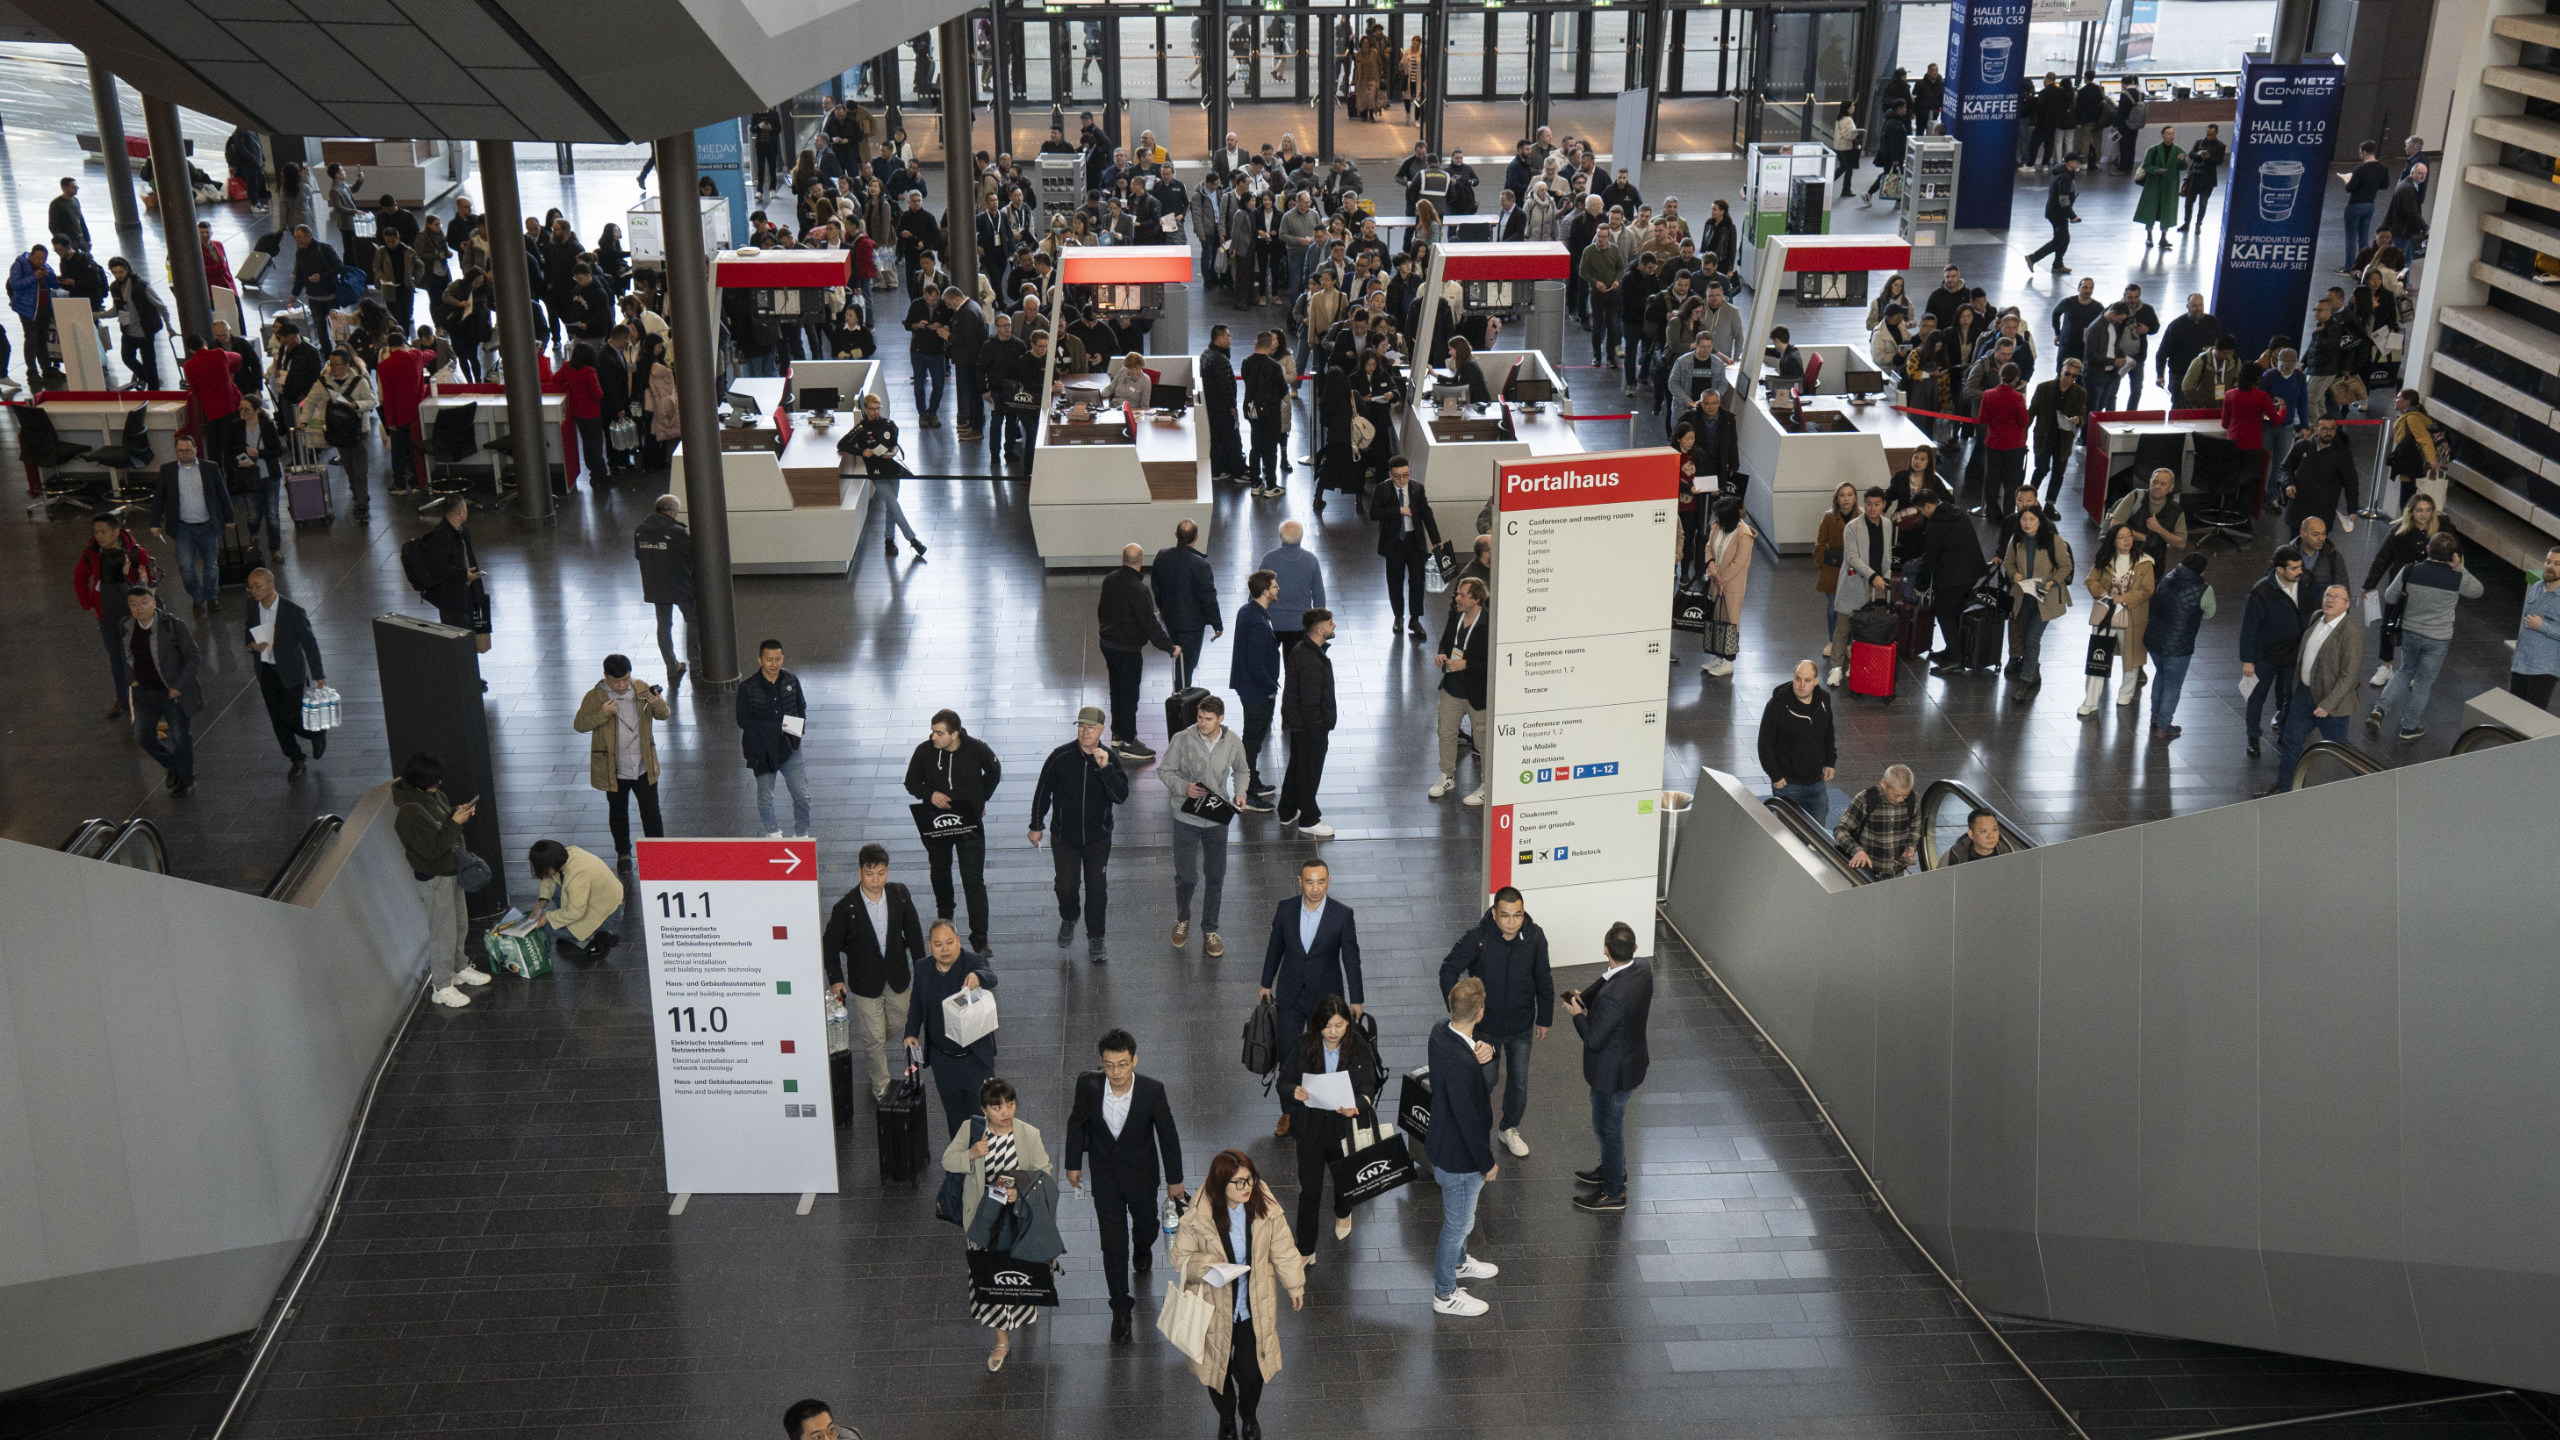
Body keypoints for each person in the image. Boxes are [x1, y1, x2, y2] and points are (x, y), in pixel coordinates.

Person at [1168, 1149, 1307, 1439]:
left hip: (1252, 1304)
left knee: (1252, 1372)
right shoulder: (1201, 1212)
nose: (1247, 1188)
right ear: (1221, 1185)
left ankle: (1249, 1416)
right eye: (1239, 1183)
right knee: (1215, 1370)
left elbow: (1282, 1246)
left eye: (1250, 1179)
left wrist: (1295, 1284)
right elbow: (1179, 1257)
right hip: (1213, 1306)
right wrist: (1207, 1264)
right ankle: (1227, 1419)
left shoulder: (1264, 1205)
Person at [1064, 1030, 1188, 1344]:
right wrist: (1073, 1162)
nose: (1116, 1072)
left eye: (1122, 1064)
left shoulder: (1152, 1090)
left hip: (1143, 1176)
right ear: (1102, 1064)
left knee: (1147, 1225)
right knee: (1113, 1246)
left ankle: (1143, 1246)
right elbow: (1077, 1121)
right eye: (1109, 1066)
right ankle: (1120, 1309)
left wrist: (1176, 1181)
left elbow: (1168, 1135)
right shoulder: (1088, 1086)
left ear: (1134, 1060)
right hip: (1106, 1178)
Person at [941, 1076, 1051, 1373]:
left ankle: (1024, 1311)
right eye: (997, 1106)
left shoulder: (1028, 1134)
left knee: (1019, 1274)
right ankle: (1001, 1340)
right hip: (982, 1219)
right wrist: (972, 1154)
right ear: (985, 1109)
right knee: (989, 1276)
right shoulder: (971, 1130)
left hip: (1017, 1219)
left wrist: (1022, 1191)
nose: (1006, 1111)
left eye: (1010, 1104)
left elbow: (1044, 1170)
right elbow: (948, 1161)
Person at [1438, 887, 1553, 1158]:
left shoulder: (1535, 937)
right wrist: (1459, 1013)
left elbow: (1543, 978)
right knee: (1482, 1083)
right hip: (1484, 1029)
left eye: (1518, 915)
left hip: (1521, 1026)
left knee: (1519, 1081)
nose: (1512, 922)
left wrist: (1545, 1018)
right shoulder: (1477, 938)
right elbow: (1448, 969)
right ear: (1494, 914)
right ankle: (1474, 1130)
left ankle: (1509, 1128)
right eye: (1505, 916)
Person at [1258, 857, 1363, 1137]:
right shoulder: (1286, 909)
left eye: (1320, 881)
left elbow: (1351, 959)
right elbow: (1275, 948)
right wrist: (1266, 982)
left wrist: (1356, 1000)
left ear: (1328, 881)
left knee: (1328, 1053)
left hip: (1325, 1000)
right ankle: (1288, 1113)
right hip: (1291, 995)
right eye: (1309, 882)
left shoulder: (1341, 915)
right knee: (1287, 1054)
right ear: (1300, 882)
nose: (1315, 888)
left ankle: (1328, 1106)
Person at [1276, 995, 1385, 1259]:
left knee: (1344, 1181)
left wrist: (1358, 1105)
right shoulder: (1304, 1045)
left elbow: (1368, 1087)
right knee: (1310, 1191)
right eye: (1327, 1026)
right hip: (1310, 1129)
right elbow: (1284, 1082)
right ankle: (1305, 1249)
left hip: (1343, 1128)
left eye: (1339, 1025)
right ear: (1318, 1026)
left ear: (1347, 1022)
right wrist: (1294, 1091)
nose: (1333, 1032)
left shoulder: (1358, 1046)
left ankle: (1343, 1210)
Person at [820, 843, 923, 1107]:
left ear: (887, 872)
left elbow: (914, 933)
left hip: (898, 976)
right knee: (875, 1037)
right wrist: (836, 980)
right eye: (869, 874)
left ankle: (871, 1042)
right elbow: (830, 945)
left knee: (902, 1020)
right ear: (859, 873)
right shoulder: (846, 906)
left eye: (880, 873)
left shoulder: (899, 894)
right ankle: (881, 1086)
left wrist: (922, 969)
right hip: (865, 982)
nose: (875, 880)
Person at [1425, 975, 1502, 1316]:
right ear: (1481, 1012)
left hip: (1440, 1144)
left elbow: (1467, 1050)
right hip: (1459, 1160)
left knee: (1459, 1221)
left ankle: (1458, 1263)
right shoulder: (1463, 1066)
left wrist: (1482, 1051)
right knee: (1458, 1224)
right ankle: (1444, 1293)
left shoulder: (1440, 1031)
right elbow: (1470, 1120)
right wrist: (1487, 1163)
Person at [1564, 919, 1653, 1211]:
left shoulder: (1613, 998)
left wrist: (1578, 1013)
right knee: (1609, 1126)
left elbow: (1592, 1039)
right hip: (1631, 1062)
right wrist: (1591, 1004)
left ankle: (1614, 1190)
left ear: (1605, 949)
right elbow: (1611, 989)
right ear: (1635, 948)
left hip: (1612, 1075)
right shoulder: (1642, 968)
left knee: (1607, 1130)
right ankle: (1613, 1169)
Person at [1030, 704, 1132, 955]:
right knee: (1065, 886)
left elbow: (1120, 797)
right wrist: (1036, 824)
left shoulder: (1110, 759)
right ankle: (1069, 916)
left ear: (1101, 730)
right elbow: (1043, 790)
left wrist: (1106, 769)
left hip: (1098, 838)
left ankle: (1096, 937)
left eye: (1091, 727)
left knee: (1097, 888)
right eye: (1081, 726)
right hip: (1065, 837)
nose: (1085, 732)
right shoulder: (1060, 757)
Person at [394, 753, 491, 1007]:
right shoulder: (408, 813)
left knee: (459, 924)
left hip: (451, 870)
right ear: (420, 782)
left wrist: (456, 815)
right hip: (434, 876)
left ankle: (459, 967)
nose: (439, 786)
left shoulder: (433, 795)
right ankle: (442, 985)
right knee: (442, 932)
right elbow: (432, 849)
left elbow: (443, 821)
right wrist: (455, 824)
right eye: (435, 782)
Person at [905, 709, 1003, 954]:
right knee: (940, 871)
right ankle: (945, 917)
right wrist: (931, 795)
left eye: (939, 733)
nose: (933, 737)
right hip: (936, 821)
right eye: (932, 731)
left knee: (974, 880)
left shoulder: (977, 749)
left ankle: (980, 936)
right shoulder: (924, 751)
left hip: (968, 820)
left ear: (955, 734)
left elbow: (994, 771)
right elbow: (911, 782)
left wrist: (980, 802)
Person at [2370, 531, 2481, 743]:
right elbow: (2478, 591)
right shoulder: (2456, 577)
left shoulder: (2410, 570)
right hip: (2438, 638)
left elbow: (2390, 596)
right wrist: (2460, 567)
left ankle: (2379, 709)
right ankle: (2409, 727)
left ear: (2428, 549)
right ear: (2453, 555)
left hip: (2410, 633)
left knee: (2404, 671)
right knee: (2422, 682)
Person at [903, 920, 1000, 1137]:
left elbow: (991, 976)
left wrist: (978, 976)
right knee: (954, 1116)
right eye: (938, 944)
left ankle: (983, 1162)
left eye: (949, 942)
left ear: (958, 941)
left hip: (975, 1059)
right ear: (930, 946)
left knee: (982, 1114)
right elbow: (917, 1003)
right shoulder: (922, 968)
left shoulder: (973, 961)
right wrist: (910, 1032)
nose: (944, 949)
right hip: (942, 1060)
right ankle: (960, 1163)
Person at [233, 567, 327, 781]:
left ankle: (317, 734)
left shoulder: (293, 611)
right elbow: (248, 629)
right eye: (251, 587)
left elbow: (309, 644)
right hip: (267, 671)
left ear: (271, 584)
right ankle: (296, 758)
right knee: (277, 720)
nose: (253, 591)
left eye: (257, 586)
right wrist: (251, 644)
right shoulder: (252, 606)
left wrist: (318, 674)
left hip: (291, 673)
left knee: (289, 717)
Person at [573, 654, 668, 859]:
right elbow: (579, 724)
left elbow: (664, 714)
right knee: (618, 813)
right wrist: (603, 714)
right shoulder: (595, 697)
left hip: (643, 765)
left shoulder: (642, 689)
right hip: (613, 768)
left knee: (651, 811)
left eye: (626, 679)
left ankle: (659, 855)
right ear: (606, 677)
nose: (623, 685)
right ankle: (623, 853)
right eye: (617, 681)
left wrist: (657, 703)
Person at [2272, 585, 2363, 791]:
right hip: (2304, 696)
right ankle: (2285, 790)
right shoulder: (2316, 617)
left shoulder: (2350, 633)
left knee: (2340, 748)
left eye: (2337, 597)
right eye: (2327, 595)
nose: (2330, 600)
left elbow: (2349, 676)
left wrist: (2327, 704)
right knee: (2291, 742)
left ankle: (2368, 780)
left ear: (2347, 605)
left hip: (2330, 704)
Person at [2361, 491, 2455, 689]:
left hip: (2428, 588)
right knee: (2388, 625)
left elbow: (2456, 551)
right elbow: (2383, 558)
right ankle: (2385, 666)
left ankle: (2415, 670)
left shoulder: (2443, 527)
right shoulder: (2398, 530)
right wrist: (2369, 584)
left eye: (2428, 510)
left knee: (2421, 630)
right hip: (2400, 586)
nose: (2423, 514)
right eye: (2419, 510)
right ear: (2411, 512)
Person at [119, 586, 203, 797]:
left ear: (154, 603)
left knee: (180, 737)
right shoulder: (126, 627)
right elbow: (124, 656)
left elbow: (193, 656)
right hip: (144, 693)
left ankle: (187, 779)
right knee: (143, 736)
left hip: (171, 693)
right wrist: (132, 681)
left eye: (145, 602)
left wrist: (179, 686)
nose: (139, 608)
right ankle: (175, 765)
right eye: (134, 604)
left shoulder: (173, 626)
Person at [1098, 543, 1179, 760]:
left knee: (1116, 690)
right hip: (1128, 650)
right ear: (1141, 561)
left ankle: (1117, 733)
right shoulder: (1140, 590)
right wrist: (1170, 647)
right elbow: (1150, 624)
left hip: (1107, 644)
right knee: (1129, 694)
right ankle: (1128, 742)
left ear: (1122, 558)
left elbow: (1101, 611)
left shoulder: (1110, 579)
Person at [76, 517, 156, 719]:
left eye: (103, 531)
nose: (99, 536)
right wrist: (90, 604)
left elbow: (148, 577)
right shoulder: (91, 554)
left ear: (116, 532)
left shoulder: (136, 553)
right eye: (96, 532)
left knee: (135, 659)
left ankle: (141, 703)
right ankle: (124, 699)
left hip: (134, 617)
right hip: (108, 617)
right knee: (117, 658)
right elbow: (79, 577)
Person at [2080, 523, 2158, 715]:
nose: (2127, 540)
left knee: (2130, 655)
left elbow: (2147, 589)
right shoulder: (2105, 559)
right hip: (2106, 613)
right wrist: (2105, 595)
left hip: (2132, 615)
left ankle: (2126, 693)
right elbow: (2091, 580)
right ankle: (2090, 700)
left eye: (2129, 536)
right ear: (2113, 541)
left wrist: (2124, 598)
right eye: (2121, 537)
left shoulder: (2145, 562)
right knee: (2098, 655)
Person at [737, 639, 811, 839]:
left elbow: (800, 708)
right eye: (769, 659)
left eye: (778, 659)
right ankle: (773, 832)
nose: (774, 664)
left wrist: (794, 735)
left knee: (802, 795)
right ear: (760, 660)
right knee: (765, 796)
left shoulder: (791, 681)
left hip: (789, 747)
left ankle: (801, 834)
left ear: (783, 658)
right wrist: (773, 730)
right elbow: (743, 720)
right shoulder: (748, 687)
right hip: (762, 752)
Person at [2240, 548, 2310, 757]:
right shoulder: (2261, 592)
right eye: (2294, 568)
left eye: (2300, 566)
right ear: (2279, 569)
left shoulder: (2305, 584)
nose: (2300, 571)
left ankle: (2284, 731)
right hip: (2266, 656)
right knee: (2256, 697)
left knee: (2291, 695)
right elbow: (2249, 628)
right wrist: (2248, 660)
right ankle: (2253, 736)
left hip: (2294, 654)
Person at [153, 435, 234, 613]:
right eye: (180, 451)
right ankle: (197, 596)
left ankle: (212, 597)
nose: (184, 454)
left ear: (196, 450)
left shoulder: (210, 468)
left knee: (211, 565)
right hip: (183, 527)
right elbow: (159, 498)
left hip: (207, 525)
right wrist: (155, 522)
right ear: (176, 452)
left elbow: (222, 493)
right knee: (186, 567)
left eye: (188, 450)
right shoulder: (167, 471)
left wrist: (229, 518)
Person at [1278, 609, 1339, 836]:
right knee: (1308, 772)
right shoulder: (1312, 660)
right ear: (1319, 629)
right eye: (1330, 623)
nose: (1335, 625)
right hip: (1309, 727)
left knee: (1297, 766)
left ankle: (1287, 810)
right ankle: (1309, 818)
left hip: (1299, 724)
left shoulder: (1303, 649)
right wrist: (1319, 727)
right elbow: (1310, 701)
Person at [1430, 577, 1490, 805]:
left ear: (1476, 599)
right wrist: (1441, 653)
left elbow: (1494, 661)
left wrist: (1467, 664)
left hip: (1477, 694)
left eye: (1462, 595)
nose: (1457, 598)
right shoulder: (1455, 615)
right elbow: (1446, 642)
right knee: (1446, 734)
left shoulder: (1490, 623)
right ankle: (1447, 775)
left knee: (1483, 743)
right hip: (1451, 688)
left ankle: (1488, 785)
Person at [1228, 570, 1284, 812]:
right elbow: (1256, 664)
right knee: (1252, 741)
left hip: (1247, 687)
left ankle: (1253, 780)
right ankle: (1247, 793)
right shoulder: (1259, 623)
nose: (1277, 588)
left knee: (1253, 739)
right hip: (1257, 692)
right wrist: (1271, 688)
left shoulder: (1248, 610)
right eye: (1274, 586)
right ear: (1264, 592)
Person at [1370, 457, 1444, 639]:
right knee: (1395, 581)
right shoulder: (1383, 489)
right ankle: (1398, 616)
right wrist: (1398, 510)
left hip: (1414, 541)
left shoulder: (1417, 488)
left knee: (1417, 581)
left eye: (1406, 475)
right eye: (1397, 476)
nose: (1402, 480)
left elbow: (1427, 514)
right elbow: (1374, 513)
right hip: (1393, 543)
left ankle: (1415, 619)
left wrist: (1436, 539)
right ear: (1390, 475)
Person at [2145, 551, 2215, 741]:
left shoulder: (2168, 578)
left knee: (2161, 675)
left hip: (2155, 640)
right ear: (2201, 571)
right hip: (2178, 647)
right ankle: (2163, 726)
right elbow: (2209, 613)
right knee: (2173, 686)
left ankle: (2154, 717)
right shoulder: (2204, 589)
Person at [2002, 506, 2074, 691]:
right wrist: (2014, 574)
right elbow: (2008, 561)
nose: (2027, 523)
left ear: (2040, 521)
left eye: (2032, 519)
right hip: (2023, 596)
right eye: (2024, 519)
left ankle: (2026, 680)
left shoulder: (2053, 540)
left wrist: (2052, 582)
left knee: (2033, 638)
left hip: (2045, 597)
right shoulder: (2017, 539)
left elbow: (2065, 566)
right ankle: (2033, 669)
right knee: (2027, 637)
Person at [1915, 490, 1987, 669]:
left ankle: (1955, 658)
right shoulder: (1958, 512)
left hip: (1954, 576)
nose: (1921, 515)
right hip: (1972, 572)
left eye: (1921, 511)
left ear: (1929, 506)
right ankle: (1953, 650)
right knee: (1955, 611)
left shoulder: (1936, 524)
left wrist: (1921, 584)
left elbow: (1930, 558)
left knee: (1943, 611)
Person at [1759, 660, 1839, 821]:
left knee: (1818, 832)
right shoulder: (1777, 705)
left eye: (1807, 680)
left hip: (1816, 781)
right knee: (1788, 834)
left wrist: (1830, 761)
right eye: (1797, 678)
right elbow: (1765, 743)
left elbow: (1828, 732)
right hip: (1788, 784)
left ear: (1816, 681)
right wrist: (1775, 775)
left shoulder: (1824, 700)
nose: (1801, 684)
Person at [527, 839, 625, 962]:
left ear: (550, 864)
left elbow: (575, 912)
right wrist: (543, 900)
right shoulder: (567, 855)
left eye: (542, 868)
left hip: (609, 913)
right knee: (556, 891)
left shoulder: (578, 875)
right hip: (601, 900)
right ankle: (573, 932)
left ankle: (599, 938)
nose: (541, 872)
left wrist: (548, 917)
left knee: (548, 927)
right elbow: (548, 879)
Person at [633, 496, 694, 690]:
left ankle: (671, 666)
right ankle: (697, 663)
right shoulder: (677, 532)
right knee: (692, 621)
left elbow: (638, 555)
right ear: (672, 511)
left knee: (664, 625)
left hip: (655, 585)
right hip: (679, 584)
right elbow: (691, 554)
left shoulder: (640, 531)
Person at [1153, 521, 1222, 692]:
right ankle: (1181, 697)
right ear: (1196, 537)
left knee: (1179, 656)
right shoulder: (1201, 565)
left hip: (1170, 618)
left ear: (1176, 535)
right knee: (1187, 663)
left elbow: (1156, 586)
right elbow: (1208, 598)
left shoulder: (1162, 556)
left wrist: (1163, 608)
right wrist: (1217, 624)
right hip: (1192, 625)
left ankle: (1179, 693)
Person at [1833, 765, 1921, 877]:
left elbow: (1916, 828)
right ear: (1884, 784)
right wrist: (1857, 851)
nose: (1900, 800)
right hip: (1867, 872)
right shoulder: (1865, 799)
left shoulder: (1913, 799)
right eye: (1896, 795)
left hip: (1897, 872)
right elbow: (1840, 830)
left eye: (1904, 796)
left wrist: (1911, 847)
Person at [2281, 416, 2358, 538]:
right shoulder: (2303, 446)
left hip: (2322, 511)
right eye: (2324, 429)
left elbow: (2351, 482)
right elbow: (2286, 467)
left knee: (2317, 546)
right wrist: (2288, 483)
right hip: (2299, 508)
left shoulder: (2342, 454)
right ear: (2316, 429)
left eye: (2332, 429)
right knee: (2295, 547)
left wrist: (2352, 510)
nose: (2329, 433)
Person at [1258, 522, 1326, 651]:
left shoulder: (1270, 558)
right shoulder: (1311, 560)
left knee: (1267, 664)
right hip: (1300, 625)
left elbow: (1258, 590)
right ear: (1301, 536)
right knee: (1295, 667)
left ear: (1280, 536)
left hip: (1272, 622)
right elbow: (1319, 595)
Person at [2104, 466, 2188, 568]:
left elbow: (2181, 544)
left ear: (2171, 488)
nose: (2157, 486)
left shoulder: (2175, 511)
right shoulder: (2135, 497)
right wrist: (2144, 538)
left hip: (2154, 564)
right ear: (2150, 482)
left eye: (2163, 484)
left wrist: (2159, 529)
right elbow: (2115, 526)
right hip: (2124, 559)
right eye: (2155, 482)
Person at [2510, 545, 2560, 709]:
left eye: (2557, 564)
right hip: (2520, 663)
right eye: (2548, 561)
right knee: (2512, 714)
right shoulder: (2537, 586)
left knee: (2530, 720)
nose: (2550, 567)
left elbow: (2537, 624)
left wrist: (2542, 626)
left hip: (2542, 670)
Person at [2023, 153, 2081, 274]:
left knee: (2064, 239)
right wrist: (2073, 216)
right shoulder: (2065, 176)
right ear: (2069, 163)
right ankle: (2033, 258)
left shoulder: (2061, 171)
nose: (2078, 164)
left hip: (2056, 211)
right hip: (2057, 213)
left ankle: (2058, 265)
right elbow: (2063, 200)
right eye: (2076, 161)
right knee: (2060, 240)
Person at [2133, 125, 2185, 248]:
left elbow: (2183, 167)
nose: (2171, 136)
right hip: (2154, 184)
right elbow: (2146, 165)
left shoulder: (2179, 150)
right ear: (2162, 136)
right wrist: (2156, 170)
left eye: (2173, 134)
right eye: (2168, 134)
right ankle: (2149, 237)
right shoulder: (2153, 150)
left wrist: (2182, 160)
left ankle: (2163, 238)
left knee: (2166, 211)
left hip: (2169, 186)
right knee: (2151, 209)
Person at [2342, 141, 2391, 263]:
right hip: (2370, 205)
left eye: (2360, 152)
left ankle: (2349, 267)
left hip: (2355, 205)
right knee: (2364, 236)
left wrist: (2347, 181)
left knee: (2351, 237)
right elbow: (2385, 185)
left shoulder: (2360, 168)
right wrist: (2372, 186)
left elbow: (2349, 189)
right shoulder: (2383, 168)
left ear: (2364, 152)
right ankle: (2363, 265)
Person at [2180, 123, 2226, 234]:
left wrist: (2209, 157)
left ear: (2216, 133)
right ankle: (2186, 223)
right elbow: (2191, 154)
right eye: (2207, 133)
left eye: (2211, 134)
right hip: (2195, 176)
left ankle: (2198, 224)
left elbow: (2219, 161)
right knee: (2189, 201)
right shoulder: (2199, 142)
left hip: (2208, 179)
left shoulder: (2221, 146)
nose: (2209, 136)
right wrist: (2198, 154)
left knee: (2203, 203)